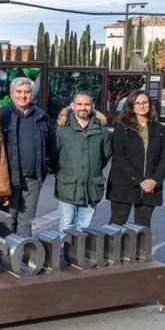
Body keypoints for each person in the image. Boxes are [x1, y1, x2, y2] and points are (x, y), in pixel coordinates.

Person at [107, 90, 165, 228]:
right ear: (131, 106)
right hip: (123, 184)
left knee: (143, 226)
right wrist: (139, 180)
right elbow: (119, 157)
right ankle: (114, 251)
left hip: (150, 187)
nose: (141, 106)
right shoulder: (121, 128)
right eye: (137, 103)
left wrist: (155, 179)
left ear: (150, 105)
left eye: (145, 102)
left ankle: (139, 251)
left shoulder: (159, 129)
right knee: (116, 224)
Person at [50, 91, 112, 231]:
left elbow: (105, 156)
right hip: (67, 186)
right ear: (72, 105)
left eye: (87, 104)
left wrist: (91, 169)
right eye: (79, 104)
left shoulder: (102, 132)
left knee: (84, 227)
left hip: (92, 187)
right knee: (66, 224)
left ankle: (78, 253)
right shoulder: (61, 130)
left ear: (92, 106)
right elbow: (53, 156)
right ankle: (63, 252)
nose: (83, 107)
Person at [0, 77, 49, 237]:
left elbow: (51, 146)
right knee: (7, 220)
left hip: (33, 179)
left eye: (27, 92)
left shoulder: (42, 117)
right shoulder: (2, 115)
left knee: (26, 222)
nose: (23, 95)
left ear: (32, 94)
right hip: (9, 179)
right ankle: (5, 259)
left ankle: (20, 258)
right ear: (12, 94)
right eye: (19, 92)